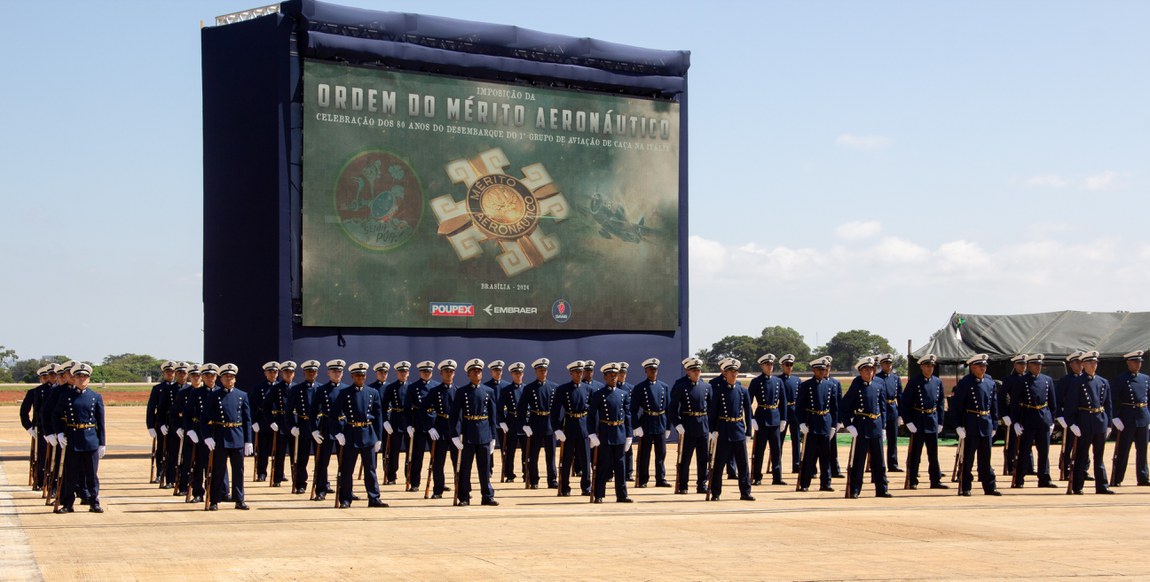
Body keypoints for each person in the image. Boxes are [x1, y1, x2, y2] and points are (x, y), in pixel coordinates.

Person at [51, 363, 105, 514]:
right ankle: (68, 504)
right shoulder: (66, 396)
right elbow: (56, 416)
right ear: (73, 378)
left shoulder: (95, 397)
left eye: (85, 376)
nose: (82, 379)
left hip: (90, 440)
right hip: (72, 439)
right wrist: (59, 433)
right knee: (71, 474)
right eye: (79, 376)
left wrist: (102, 443)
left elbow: (100, 422)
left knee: (91, 475)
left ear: (89, 378)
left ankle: (94, 502)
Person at [334, 362, 388, 508]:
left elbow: (378, 416)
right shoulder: (344, 393)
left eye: (363, 375)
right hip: (351, 434)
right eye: (358, 375)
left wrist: (378, 438)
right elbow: (334, 415)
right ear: (352, 376)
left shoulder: (372, 392)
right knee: (347, 470)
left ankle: (374, 498)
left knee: (370, 469)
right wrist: (338, 432)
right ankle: (345, 498)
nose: (361, 377)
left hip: (368, 434)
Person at [202, 363, 253, 510]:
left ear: (235, 379)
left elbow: (247, 419)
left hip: (237, 436)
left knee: (239, 470)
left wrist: (248, 440)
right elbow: (204, 419)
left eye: (231, 377)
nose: (229, 379)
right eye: (226, 377)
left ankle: (239, 499)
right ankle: (214, 500)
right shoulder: (214, 396)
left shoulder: (242, 395)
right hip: (220, 436)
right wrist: (207, 436)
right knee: (218, 470)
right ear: (221, 379)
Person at [950, 354, 1002, 496]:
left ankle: (990, 486)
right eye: (980, 366)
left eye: (984, 366)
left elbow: (993, 405)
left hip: (986, 423)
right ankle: (966, 486)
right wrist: (958, 426)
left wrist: (995, 424)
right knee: (968, 459)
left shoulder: (990, 383)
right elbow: (957, 406)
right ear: (973, 367)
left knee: (986, 459)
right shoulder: (965, 383)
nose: (983, 368)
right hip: (971, 423)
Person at [449, 359, 498, 506]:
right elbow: (455, 416)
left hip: (484, 434)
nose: (477, 373)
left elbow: (492, 416)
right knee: (465, 468)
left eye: (479, 371)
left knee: (485, 468)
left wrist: (493, 437)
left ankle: (487, 496)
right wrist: (455, 435)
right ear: (468, 374)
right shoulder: (462, 392)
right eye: (474, 371)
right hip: (468, 434)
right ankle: (464, 496)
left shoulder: (489, 391)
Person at [841, 357, 891, 498]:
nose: (869, 372)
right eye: (866, 370)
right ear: (860, 371)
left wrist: (884, 426)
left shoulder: (879, 383)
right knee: (858, 461)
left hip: (876, 425)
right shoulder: (856, 384)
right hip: (861, 426)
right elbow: (844, 407)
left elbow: (883, 407)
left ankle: (882, 489)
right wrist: (849, 425)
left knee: (879, 461)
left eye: (871, 369)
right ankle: (855, 489)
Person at [1065, 350, 1115, 494]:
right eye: (1090, 363)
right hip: (1084, 421)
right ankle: (1077, 486)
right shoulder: (1077, 382)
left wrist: (1109, 424)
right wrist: (1072, 423)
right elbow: (1070, 405)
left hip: (1100, 421)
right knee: (1081, 455)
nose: (1093, 365)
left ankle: (1102, 486)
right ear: (1084, 365)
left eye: (1095, 362)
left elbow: (1108, 404)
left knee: (1099, 456)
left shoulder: (1103, 382)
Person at [707, 358, 755, 501]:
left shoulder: (743, 391)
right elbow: (713, 412)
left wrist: (748, 432)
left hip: (738, 429)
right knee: (719, 464)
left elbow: (748, 412)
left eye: (735, 372)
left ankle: (745, 492)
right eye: (730, 372)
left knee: (743, 464)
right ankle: (716, 493)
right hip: (724, 429)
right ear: (725, 374)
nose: (733, 375)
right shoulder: (718, 391)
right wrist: (713, 430)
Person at [898, 354, 947, 489]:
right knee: (915, 454)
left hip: (932, 420)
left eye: (932, 366)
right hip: (918, 420)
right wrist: (908, 421)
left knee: (933, 454)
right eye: (927, 366)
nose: (930, 368)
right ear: (921, 367)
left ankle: (935, 480)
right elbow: (905, 403)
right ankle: (912, 480)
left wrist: (941, 421)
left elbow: (941, 403)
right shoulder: (914, 382)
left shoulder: (937, 382)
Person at [1010, 354, 1059, 488]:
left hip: (1043, 418)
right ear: (1029, 365)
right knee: (1024, 451)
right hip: (1028, 418)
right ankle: (1019, 478)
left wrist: (1052, 421)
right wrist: (1015, 422)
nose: (1038, 367)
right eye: (1035, 365)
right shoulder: (1021, 381)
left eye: (1040, 365)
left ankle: (1044, 478)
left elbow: (1053, 403)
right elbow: (1014, 403)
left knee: (1044, 451)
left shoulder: (1047, 380)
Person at [588, 362, 633, 503]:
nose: (614, 377)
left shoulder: (623, 394)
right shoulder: (598, 395)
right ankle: (599, 494)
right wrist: (592, 434)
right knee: (603, 465)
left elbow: (627, 416)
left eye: (615, 375)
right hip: (605, 433)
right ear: (605, 377)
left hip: (619, 432)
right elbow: (591, 416)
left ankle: (622, 495)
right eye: (611, 375)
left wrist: (629, 435)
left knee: (621, 466)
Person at [796, 357, 838, 492]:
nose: (822, 372)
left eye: (824, 369)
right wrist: (802, 422)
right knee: (809, 456)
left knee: (826, 456)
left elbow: (834, 407)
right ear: (814, 370)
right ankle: (805, 484)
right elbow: (799, 406)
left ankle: (826, 483)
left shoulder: (831, 385)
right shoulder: (806, 385)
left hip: (825, 421)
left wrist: (833, 426)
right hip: (812, 422)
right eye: (820, 369)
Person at [669, 358, 710, 494]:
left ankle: (702, 484)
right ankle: (683, 484)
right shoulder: (681, 386)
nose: (697, 373)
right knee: (685, 458)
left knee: (703, 458)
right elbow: (672, 408)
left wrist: (712, 427)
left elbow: (711, 408)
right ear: (688, 371)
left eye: (698, 370)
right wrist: (677, 424)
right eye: (694, 370)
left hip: (703, 425)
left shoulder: (706, 386)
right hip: (688, 425)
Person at [552, 360, 592, 496]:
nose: (580, 375)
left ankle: (586, 487)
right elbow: (555, 411)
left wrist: (593, 431)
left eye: (581, 372)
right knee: (566, 460)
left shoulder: (588, 389)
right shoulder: (563, 389)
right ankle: (564, 487)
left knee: (586, 460)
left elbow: (593, 413)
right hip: (568, 426)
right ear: (571, 373)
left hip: (584, 426)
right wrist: (556, 429)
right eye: (577, 372)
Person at [631, 358, 672, 488]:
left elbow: (669, 408)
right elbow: (633, 410)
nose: (653, 372)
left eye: (655, 369)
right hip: (647, 422)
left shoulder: (664, 386)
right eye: (651, 370)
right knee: (645, 454)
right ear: (646, 371)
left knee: (661, 453)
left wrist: (668, 427)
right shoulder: (640, 387)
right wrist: (636, 426)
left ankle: (661, 478)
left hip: (660, 421)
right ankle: (643, 479)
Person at [1111, 350, 1149, 487]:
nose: (1138, 364)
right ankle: (1117, 477)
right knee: (1123, 450)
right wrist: (1115, 417)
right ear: (1128, 363)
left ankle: (1143, 477)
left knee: (1143, 450)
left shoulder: (1145, 379)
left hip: (1143, 416)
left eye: (1139, 362)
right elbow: (1113, 399)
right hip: (1127, 417)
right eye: (1135, 361)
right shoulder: (1121, 379)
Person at [748, 353, 787, 486]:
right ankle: (757, 476)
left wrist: (784, 419)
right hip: (762, 418)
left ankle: (777, 476)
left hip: (775, 418)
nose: (769, 367)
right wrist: (751, 418)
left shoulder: (778, 381)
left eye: (771, 364)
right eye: (767, 364)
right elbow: (748, 402)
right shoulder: (756, 381)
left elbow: (783, 402)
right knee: (760, 450)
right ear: (762, 366)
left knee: (776, 450)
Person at [309, 360, 346, 501]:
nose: (337, 374)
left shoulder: (346, 389)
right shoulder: (321, 390)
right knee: (322, 461)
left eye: (339, 371)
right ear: (328, 373)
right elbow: (313, 412)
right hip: (326, 427)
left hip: (342, 426)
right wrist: (314, 430)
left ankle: (345, 490)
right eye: (334, 371)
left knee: (344, 462)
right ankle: (321, 489)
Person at [519, 358, 558, 489]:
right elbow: (522, 408)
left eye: (544, 370)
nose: (543, 372)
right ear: (535, 371)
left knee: (551, 454)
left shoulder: (554, 387)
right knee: (533, 454)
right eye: (540, 370)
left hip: (550, 424)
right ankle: (534, 479)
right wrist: (524, 424)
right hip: (535, 423)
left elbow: (558, 409)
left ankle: (552, 479)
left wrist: (558, 426)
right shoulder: (529, 388)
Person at [424, 359, 459, 499]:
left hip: (455, 430)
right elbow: (424, 410)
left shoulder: (458, 391)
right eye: (446, 371)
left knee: (458, 461)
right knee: (438, 462)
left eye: (451, 371)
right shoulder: (434, 391)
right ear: (441, 373)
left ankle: (461, 489)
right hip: (440, 429)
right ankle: (438, 490)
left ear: (454, 373)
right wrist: (430, 427)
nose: (449, 374)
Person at [184, 363, 217, 503]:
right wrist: (190, 430)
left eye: (212, 376)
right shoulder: (196, 393)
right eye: (207, 376)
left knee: (218, 464)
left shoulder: (220, 392)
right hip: (199, 431)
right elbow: (187, 414)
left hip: (217, 432)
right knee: (199, 463)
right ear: (203, 377)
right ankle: (198, 492)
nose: (210, 378)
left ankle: (220, 491)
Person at [287, 360, 321, 494]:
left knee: (320, 457)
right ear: (304, 373)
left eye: (313, 371)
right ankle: (301, 483)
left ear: (317, 373)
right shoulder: (296, 389)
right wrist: (292, 426)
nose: (311, 374)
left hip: (318, 425)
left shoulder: (321, 388)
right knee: (302, 457)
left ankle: (321, 482)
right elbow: (288, 411)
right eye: (308, 371)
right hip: (303, 424)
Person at [404, 361, 436, 492]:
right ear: (420, 372)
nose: (426, 374)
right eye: (424, 372)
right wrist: (408, 425)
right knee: (417, 455)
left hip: (434, 425)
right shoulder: (413, 387)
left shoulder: (436, 386)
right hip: (418, 423)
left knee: (436, 455)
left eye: (428, 372)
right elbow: (407, 408)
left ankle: (438, 481)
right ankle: (415, 482)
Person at [145, 360, 178, 487]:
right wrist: (151, 425)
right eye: (168, 372)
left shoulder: (180, 388)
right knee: (161, 449)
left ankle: (174, 473)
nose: (170, 374)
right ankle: (160, 472)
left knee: (175, 450)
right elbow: (151, 408)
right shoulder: (158, 388)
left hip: (176, 423)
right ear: (164, 373)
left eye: (172, 371)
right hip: (162, 422)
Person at [264, 360, 296, 487]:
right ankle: (277, 478)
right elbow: (266, 406)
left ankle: (297, 480)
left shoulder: (297, 388)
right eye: (286, 372)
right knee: (279, 453)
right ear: (282, 373)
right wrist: (271, 421)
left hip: (294, 424)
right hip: (280, 422)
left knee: (295, 454)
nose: (289, 374)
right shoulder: (276, 388)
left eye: (291, 372)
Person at [1055, 351, 1086, 480]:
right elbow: (1057, 399)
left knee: (1084, 444)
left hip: (1084, 415)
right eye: (1076, 363)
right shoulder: (1066, 380)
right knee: (1068, 445)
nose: (1079, 365)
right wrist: (1060, 416)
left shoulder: (1086, 378)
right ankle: (1066, 468)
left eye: (1081, 363)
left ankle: (1083, 469)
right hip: (1070, 416)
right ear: (1071, 365)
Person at [380, 361, 411, 485]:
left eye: (405, 371)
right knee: (393, 450)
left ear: (408, 373)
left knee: (410, 450)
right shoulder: (390, 387)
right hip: (395, 421)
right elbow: (383, 406)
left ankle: (409, 475)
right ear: (397, 373)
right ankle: (391, 476)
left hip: (409, 421)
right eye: (400, 371)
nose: (403, 373)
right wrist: (385, 421)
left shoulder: (411, 387)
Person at [20, 366, 51, 491]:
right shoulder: (34, 392)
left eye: (49, 376)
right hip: (39, 428)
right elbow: (24, 412)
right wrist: (29, 427)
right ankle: (39, 479)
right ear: (40, 378)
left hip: (52, 429)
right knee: (40, 455)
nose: (46, 379)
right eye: (44, 377)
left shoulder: (57, 391)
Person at [498, 362, 528, 483]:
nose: (518, 375)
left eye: (520, 373)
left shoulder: (527, 389)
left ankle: (527, 472)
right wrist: (502, 421)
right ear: (511, 374)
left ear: (523, 374)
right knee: (510, 451)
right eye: (516, 373)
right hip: (511, 423)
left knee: (526, 450)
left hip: (525, 423)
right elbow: (500, 408)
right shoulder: (506, 390)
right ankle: (509, 474)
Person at [251, 361, 280, 482]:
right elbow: (252, 406)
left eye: (275, 372)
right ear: (265, 373)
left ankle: (279, 472)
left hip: (278, 422)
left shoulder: (280, 386)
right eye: (270, 372)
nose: (273, 374)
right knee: (262, 450)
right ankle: (261, 472)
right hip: (263, 422)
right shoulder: (259, 387)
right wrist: (254, 421)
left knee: (278, 450)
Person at [1000, 354, 1027, 476]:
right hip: (1013, 412)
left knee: (1026, 441)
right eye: (1021, 364)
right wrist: (1004, 414)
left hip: (1026, 412)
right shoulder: (1009, 380)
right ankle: (1010, 465)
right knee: (1012, 442)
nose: (1023, 367)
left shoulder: (1028, 378)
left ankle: (1028, 466)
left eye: (1025, 364)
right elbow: (1002, 397)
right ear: (1015, 365)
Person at [876, 354, 903, 472]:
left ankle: (893, 463)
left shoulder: (896, 378)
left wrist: (901, 414)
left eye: (890, 363)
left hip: (892, 409)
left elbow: (900, 397)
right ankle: (877, 463)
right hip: (881, 410)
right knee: (879, 439)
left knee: (893, 439)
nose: (889, 365)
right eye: (886, 363)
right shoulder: (877, 378)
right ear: (881, 365)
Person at [777, 354, 801, 474]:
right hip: (782, 412)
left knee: (796, 439)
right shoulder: (778, 380)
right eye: (787, 365)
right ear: (782, 365)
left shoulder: (797, 380)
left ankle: (796, 464)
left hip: (795, 412)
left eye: (791, 365)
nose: (789, 367)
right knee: (779, 441)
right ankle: (777, 465)